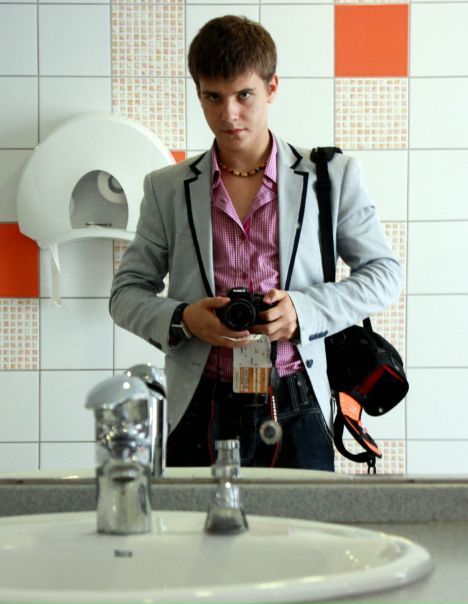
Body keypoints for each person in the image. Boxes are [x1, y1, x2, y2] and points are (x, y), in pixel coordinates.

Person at [110, 15, 403, 471]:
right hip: (199, 404)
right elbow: (125, 294)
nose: (228, 114)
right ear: (199, 94)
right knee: (194, 522)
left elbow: (385, 275)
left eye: (244, 95)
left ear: (272, 87)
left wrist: (302, 311)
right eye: (213, 96)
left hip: (298, 400)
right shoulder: (166, 188)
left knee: (306, 521)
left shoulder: (330, 177)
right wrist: (184, 318)